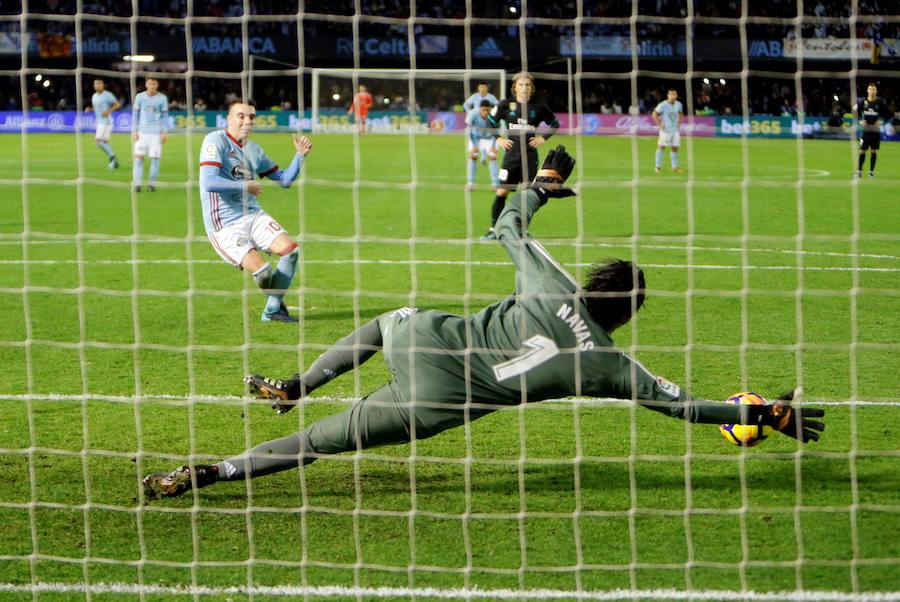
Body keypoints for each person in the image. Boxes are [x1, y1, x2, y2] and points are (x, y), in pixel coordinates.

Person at [142, 146, 825, 501]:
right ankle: (218, 472)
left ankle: (297, 382)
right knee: (320, 444)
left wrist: (545, 184)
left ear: (593, 283)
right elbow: (685, 407)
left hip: (427, 336)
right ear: (627, 316)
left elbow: (506, 223)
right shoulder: (612, 366)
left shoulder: (552, 282)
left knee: (387, 321)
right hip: (434, 402)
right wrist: (764, 414)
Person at [196, 99, 313, 323]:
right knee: (264, 272)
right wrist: (244, 185)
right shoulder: (215, 141)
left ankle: (271, 310)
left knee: (291, 251)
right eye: (241, 116)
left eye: (251, 117)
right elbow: (208, 182)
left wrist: (299, 156)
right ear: (229, 119)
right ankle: (275, 306)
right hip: (224, 224)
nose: (247, 121)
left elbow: (285, 180)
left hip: (253, 214)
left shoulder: (254, 149)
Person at [481, 72, 559, 241]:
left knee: (527, 195)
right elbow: (490, 122)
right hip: (511, 157)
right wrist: (499, 139)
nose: (524, 88)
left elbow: (555, 123)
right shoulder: (506, 104)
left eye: (527, 85)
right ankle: (494, 229)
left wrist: (542, 138)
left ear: (532, 89)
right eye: (521, 85)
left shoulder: (538, 106)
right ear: (514, 87)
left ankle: (521, 230)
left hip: (530, 158)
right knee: (502, 191)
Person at [131, 77, 169, 192]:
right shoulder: (139, 97)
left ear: (157, 85)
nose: (152, 86)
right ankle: (137, 184)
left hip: (156, 134)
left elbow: (164, 117)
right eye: (150, 83)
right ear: (146, 84)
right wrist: (134, 130)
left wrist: (164, 132)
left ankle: (151, 185)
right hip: (142, 133)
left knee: (155, 159)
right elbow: (135, 115)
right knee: (139, 158)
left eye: (154, 84)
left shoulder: (162, 98)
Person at [853, 83, 887, 179]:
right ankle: (859, 171)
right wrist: (860, 121)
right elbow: (854, 112)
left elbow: (889, 114)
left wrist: (881, 121)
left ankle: (871, 172)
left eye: (873, 89)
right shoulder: (863, 102)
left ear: (876, 91)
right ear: (867, 90)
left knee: (873, 151)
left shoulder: (880, 102)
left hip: (875, 131)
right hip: (866, 131)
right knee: (862, 150)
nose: (872, 91)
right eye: (870, 89)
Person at [86, 78, 120, 169]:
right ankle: (113, 160)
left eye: (99, 84)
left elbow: (117, 104)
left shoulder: (108, 95)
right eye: (95, 84)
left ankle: (112, 157)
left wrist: (108, 111)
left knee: (98, 141)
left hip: (106, 121)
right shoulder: (94, 96)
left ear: (103, 85)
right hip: (99, 121)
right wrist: (90, 110)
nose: (97, 85)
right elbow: (97, 108)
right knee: (104, 142)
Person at [466, 100, 500, 188]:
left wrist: (493, 146)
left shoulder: (495, 114)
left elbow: (496, 132)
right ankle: (470, 183)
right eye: (483, 110)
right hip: (476, 138)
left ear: (490, 109)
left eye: (487, 110)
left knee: (493, 157)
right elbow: (469, 131)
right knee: (473, 156)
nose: (485, 112)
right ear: (479, 109)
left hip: (490, 138)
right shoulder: (473, 113)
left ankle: (495, 184)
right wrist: (474, 145)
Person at [652, 88, 684, 174]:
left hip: (675, 130)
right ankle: (658, 166)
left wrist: (680, 122)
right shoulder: (663, 105)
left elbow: (681, 113)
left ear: (676, 96)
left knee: (675, 148)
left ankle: (674, 167)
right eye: (671, 94)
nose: (673, 96)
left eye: (674, 94)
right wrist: (659, 124)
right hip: (665, 130)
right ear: (668, 95)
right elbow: (654, 113)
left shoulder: (679, 104)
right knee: (662, 147)